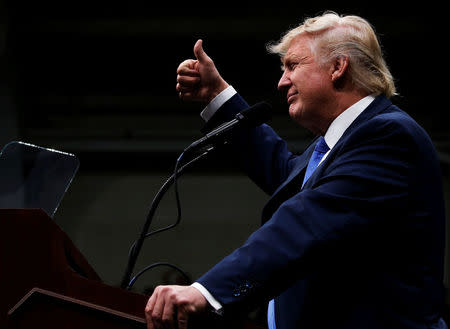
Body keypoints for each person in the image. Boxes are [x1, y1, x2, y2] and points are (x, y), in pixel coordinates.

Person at [145, 11, 447, 329]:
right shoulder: (338, 147)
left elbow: (305, 222)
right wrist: (217, 97)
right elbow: (284, 171)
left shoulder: (388, 136)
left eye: (293, 65)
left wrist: (206, 292)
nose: (282, 81)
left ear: (337, 67)